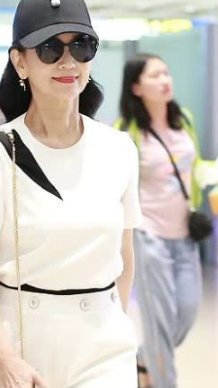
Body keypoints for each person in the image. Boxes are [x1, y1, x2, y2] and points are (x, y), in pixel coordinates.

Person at [0, 0, 142, 387]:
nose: (68, 61)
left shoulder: (118, 148)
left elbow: (124, 255)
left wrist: (116, 320)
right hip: (21, 341)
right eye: (50, 48)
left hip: (105, 344)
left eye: (81, 46)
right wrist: (3, 355)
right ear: (20, 61)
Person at [117, 53, 216, 388]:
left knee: (186, 312)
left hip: (185, 233)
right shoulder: (126, 131)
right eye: (155, 75)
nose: (165, 80)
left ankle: (143, 359)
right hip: (149, 235)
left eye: (166, 73)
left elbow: (193, 167)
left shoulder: (183, 120)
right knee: (159, 321)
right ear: (136, 87)